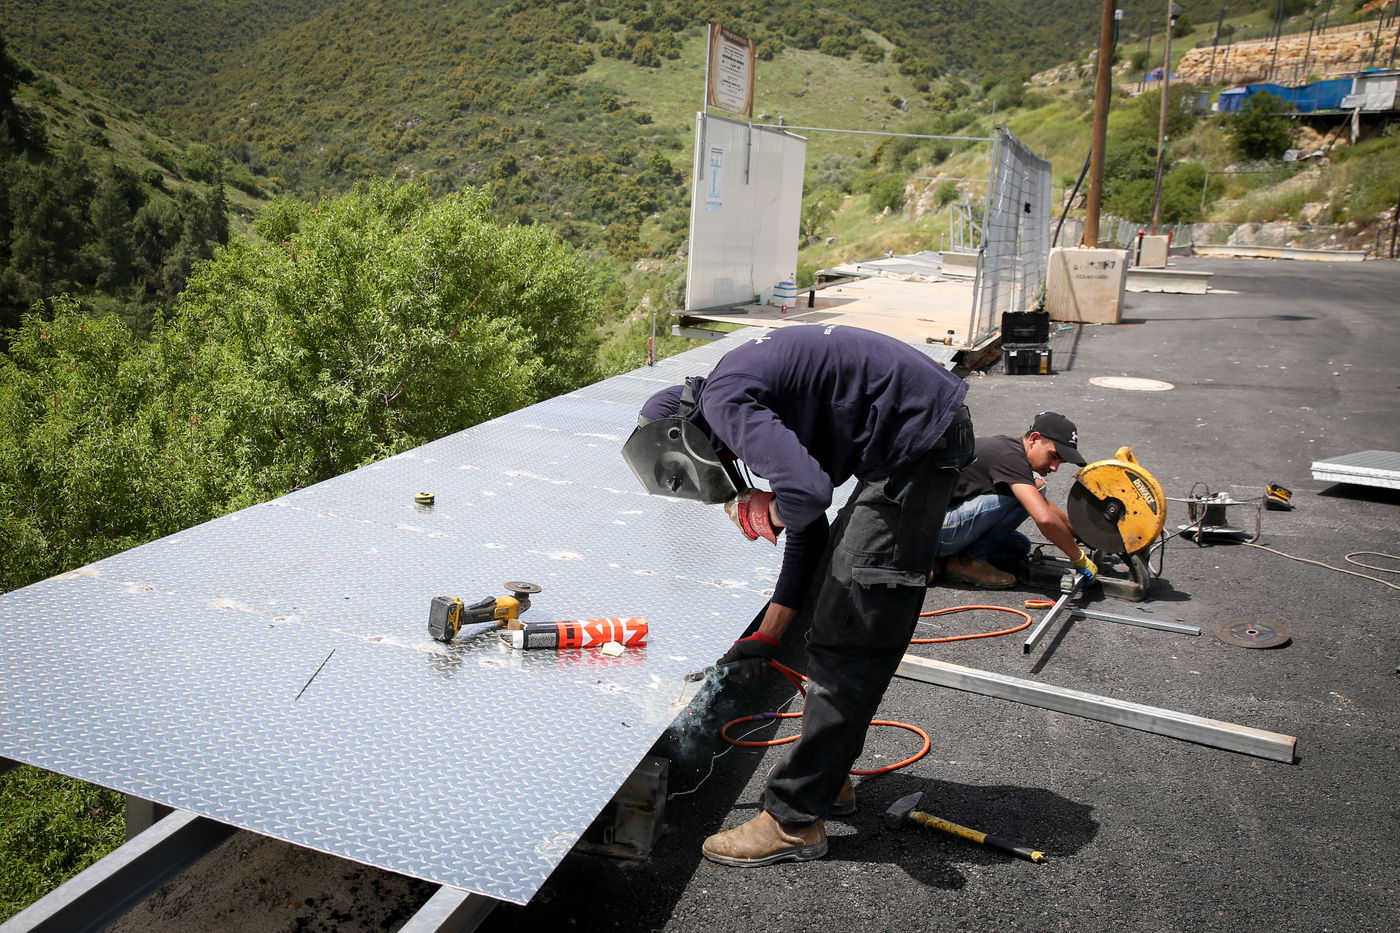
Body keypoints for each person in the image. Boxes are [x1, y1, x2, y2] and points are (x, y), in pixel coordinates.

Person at [621, 323, 974, 867]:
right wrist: (769, 634)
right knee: (837, 591)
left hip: (915, 447)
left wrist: (768, 508)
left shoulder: (723, 399)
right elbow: (809, 529)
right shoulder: (752, 394)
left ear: (682, 436)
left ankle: (793, 821)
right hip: (913, 440)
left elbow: (806, 496)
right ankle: (826, 782)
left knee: (849, 633)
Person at [935, 412, 1098, 588]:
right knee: (1022, 499)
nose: (1054, 467)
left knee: (1018, 546)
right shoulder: (1010, 458)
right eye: (1053, 456)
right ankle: (965, 562)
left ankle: (939, 561)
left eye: (1061, 462)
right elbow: (1044, 518)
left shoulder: (1012, 451)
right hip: (930, 531)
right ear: (1034, 439)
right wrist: (1078, 557)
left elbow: (1045, 505)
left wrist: (1082, 533)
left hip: (936, 526)